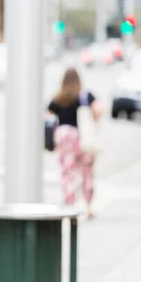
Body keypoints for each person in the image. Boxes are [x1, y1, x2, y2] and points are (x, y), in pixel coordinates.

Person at [47, 67, 102, 219]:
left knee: (68, 173)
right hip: (83, 140)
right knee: (87, 173)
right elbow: (99, 110)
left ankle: (69, 205)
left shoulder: (58, 97)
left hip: (65, 141)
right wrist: (89, 119)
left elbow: (48, 117)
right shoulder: (85, 96)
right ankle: (88, 206)